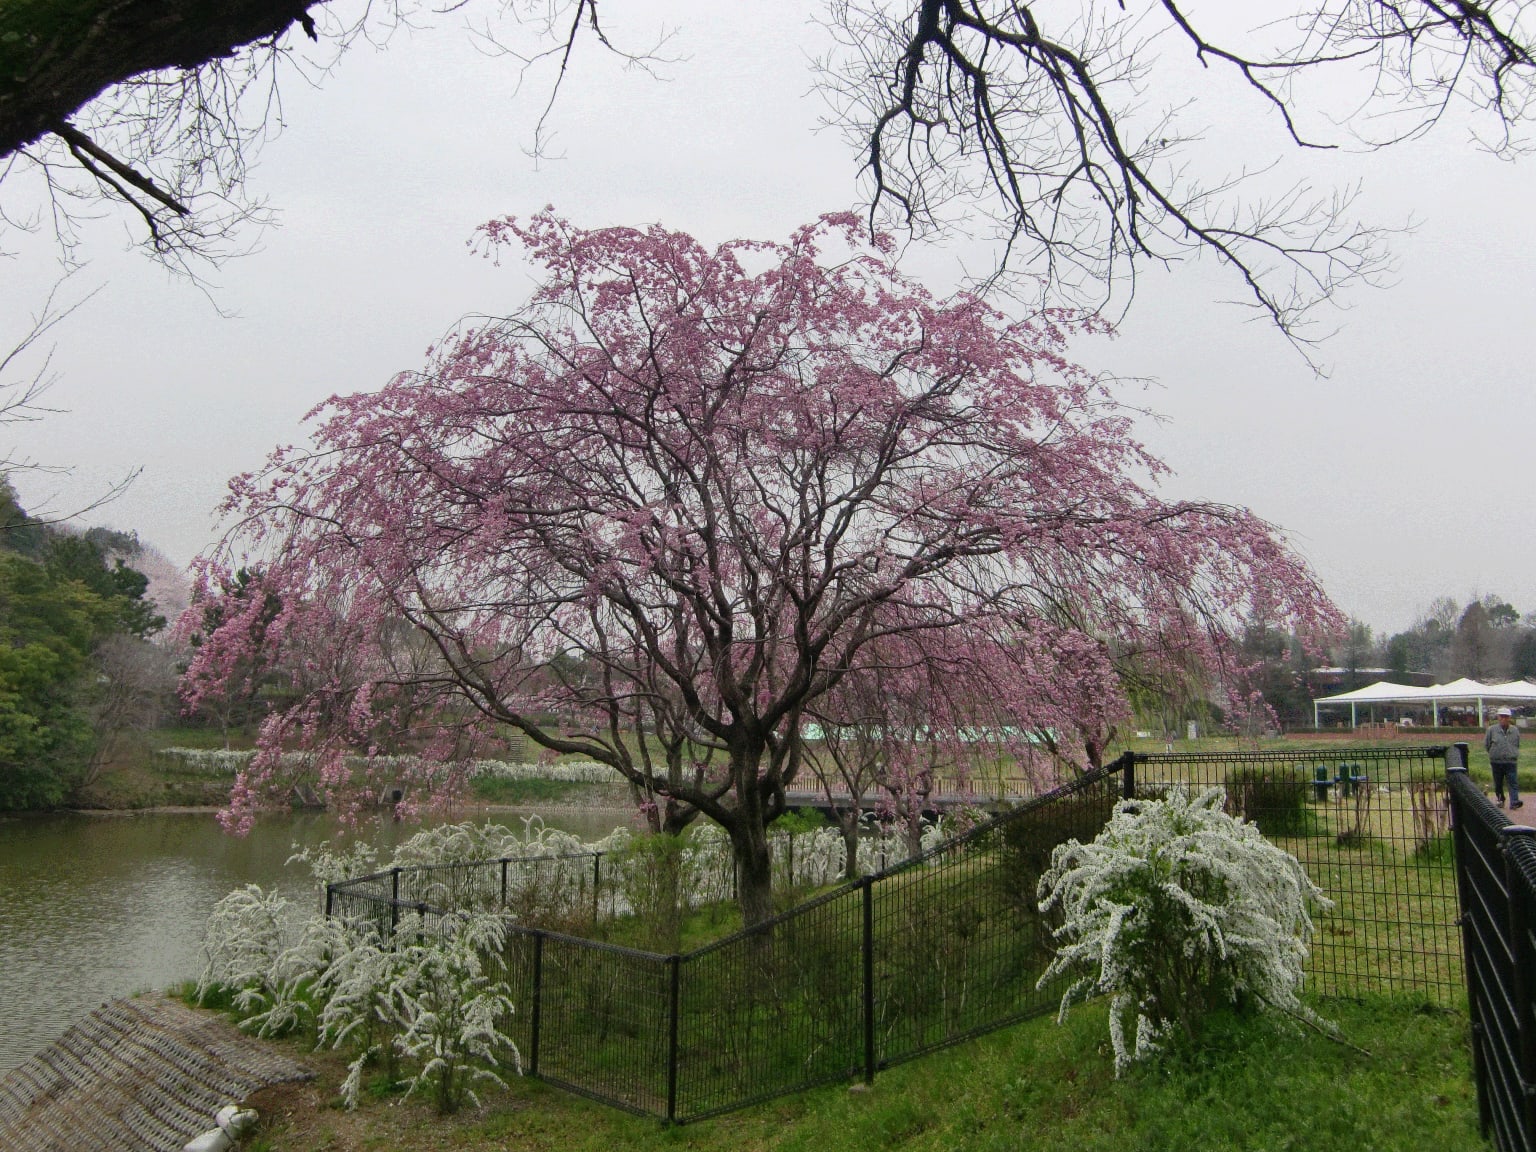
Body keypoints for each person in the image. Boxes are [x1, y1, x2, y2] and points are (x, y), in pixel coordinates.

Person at [1486, 707, 1522, 809]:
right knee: (1498, 783)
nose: (1504, 719)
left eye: (1506, 717)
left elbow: (1517, 744)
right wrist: (1494, 753)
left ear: (1509, 718)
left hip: (1511, 761)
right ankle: (1500, 799)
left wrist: (1513, 753)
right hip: (1496, 761)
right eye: (1502, 716)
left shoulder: (1515, 730)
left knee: (1513, 782)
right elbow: (1487, 744)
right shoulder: (1491, 730)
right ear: (1498, 717)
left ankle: (1514, 801)